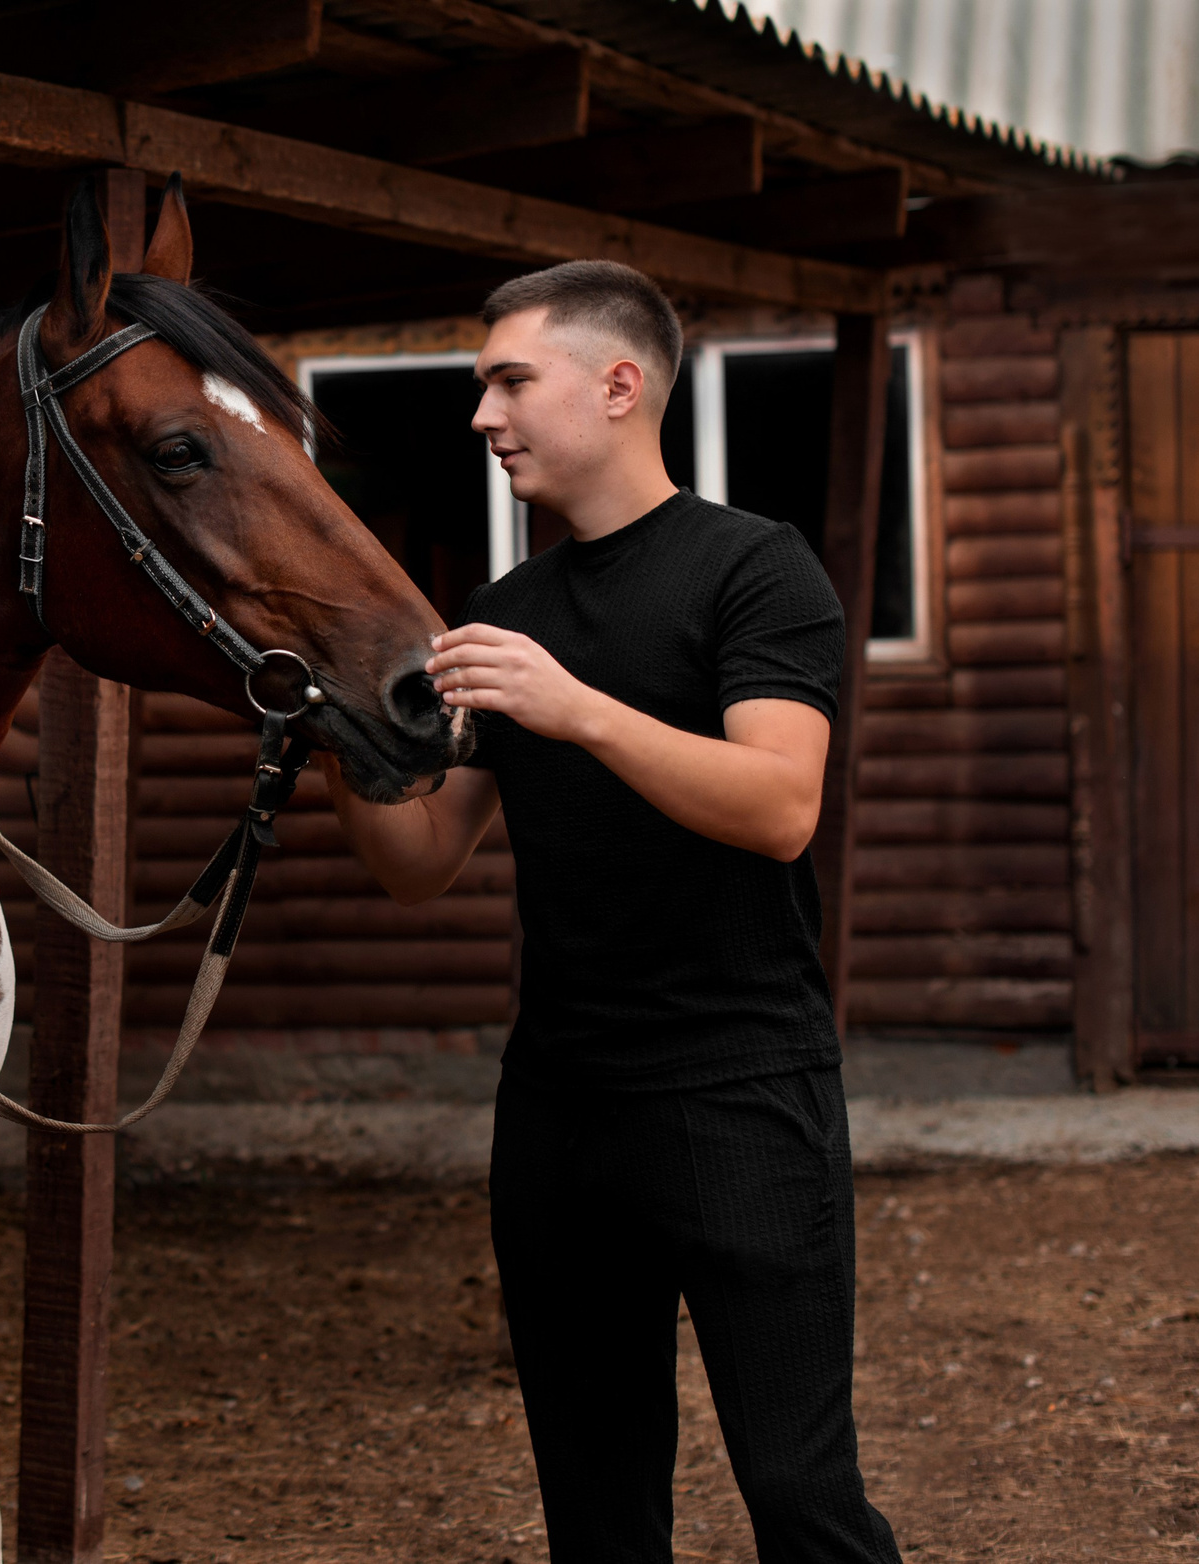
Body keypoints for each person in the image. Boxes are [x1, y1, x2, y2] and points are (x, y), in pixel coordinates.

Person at [320, 259, 902, 1564]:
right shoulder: (505, 617)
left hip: (742, 1093)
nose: (484, 413)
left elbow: (778, 805)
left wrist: (572, 706)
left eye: (509, 380)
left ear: (619, 384)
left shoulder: (756, 569)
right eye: (485, 387)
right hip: (562, 1114)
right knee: (597, 1512)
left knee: (803, 1499)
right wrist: (337, 747)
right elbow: (419, 862)